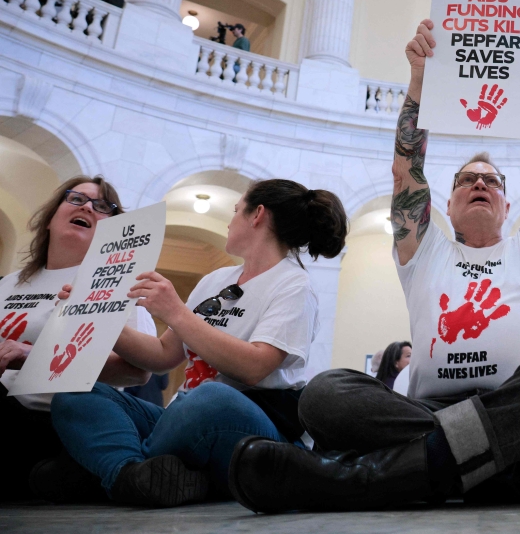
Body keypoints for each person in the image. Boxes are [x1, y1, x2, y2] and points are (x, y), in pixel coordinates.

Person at [227, 12, 520, 513]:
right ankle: (511, 475)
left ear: (507, 202)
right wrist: (419, 83)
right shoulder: (426, 246)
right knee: (324, 395)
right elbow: (406, 169)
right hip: (453, 414)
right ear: (444, 204)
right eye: (465, 180)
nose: (479, 184)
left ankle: (361, 481)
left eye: (491, 181)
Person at [45, 179, 348, 508]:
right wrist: (96, 312)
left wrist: (175, 311)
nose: (230, 221)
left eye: (236, 211)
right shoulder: (216, 280)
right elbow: (162, 356)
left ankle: (111, 470)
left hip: (256, 430)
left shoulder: (294, 284)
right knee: (77, 392)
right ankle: (132, 475)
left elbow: (255, 367)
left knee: (213, 396)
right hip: (183, 416)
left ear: (257, 214)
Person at [0, 177, 155, 502]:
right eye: (76, 198)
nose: (86, 206)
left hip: (55, 421)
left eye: (102, 206)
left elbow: (136, 371)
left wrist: (31, 354)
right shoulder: (7, 284)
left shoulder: (119, 286)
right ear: (50, 219)